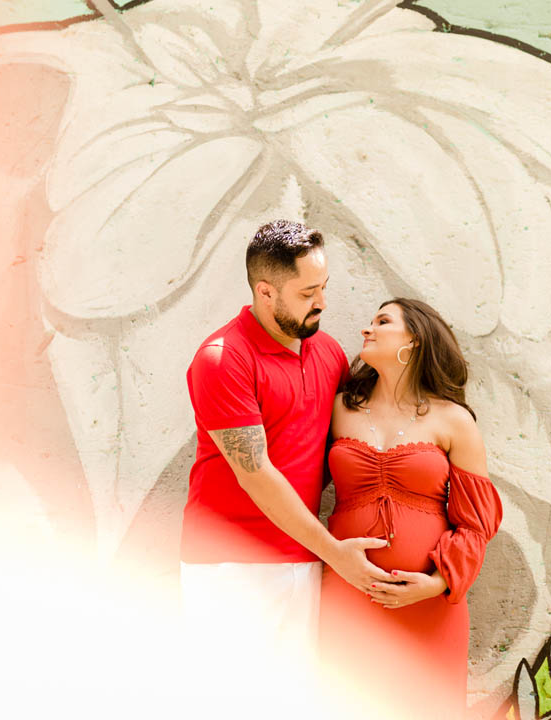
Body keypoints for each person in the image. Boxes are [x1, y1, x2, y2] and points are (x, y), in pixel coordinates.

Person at [179, 220, 392, 710]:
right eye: (307, 293)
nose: (322, 303)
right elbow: (255, 474)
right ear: (265, 291)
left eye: (324, 288)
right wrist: (335, 553)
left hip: (302, 557)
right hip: (229, 566)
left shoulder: (328, 352)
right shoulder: (223, 358)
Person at [319, 298, 504, 719]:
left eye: (382, 321)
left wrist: (436, 584)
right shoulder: (339, 408)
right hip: (348, 593)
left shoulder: (454, 420)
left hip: (428, 606)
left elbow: (476, 525)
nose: (367, 329)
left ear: (415, 340)